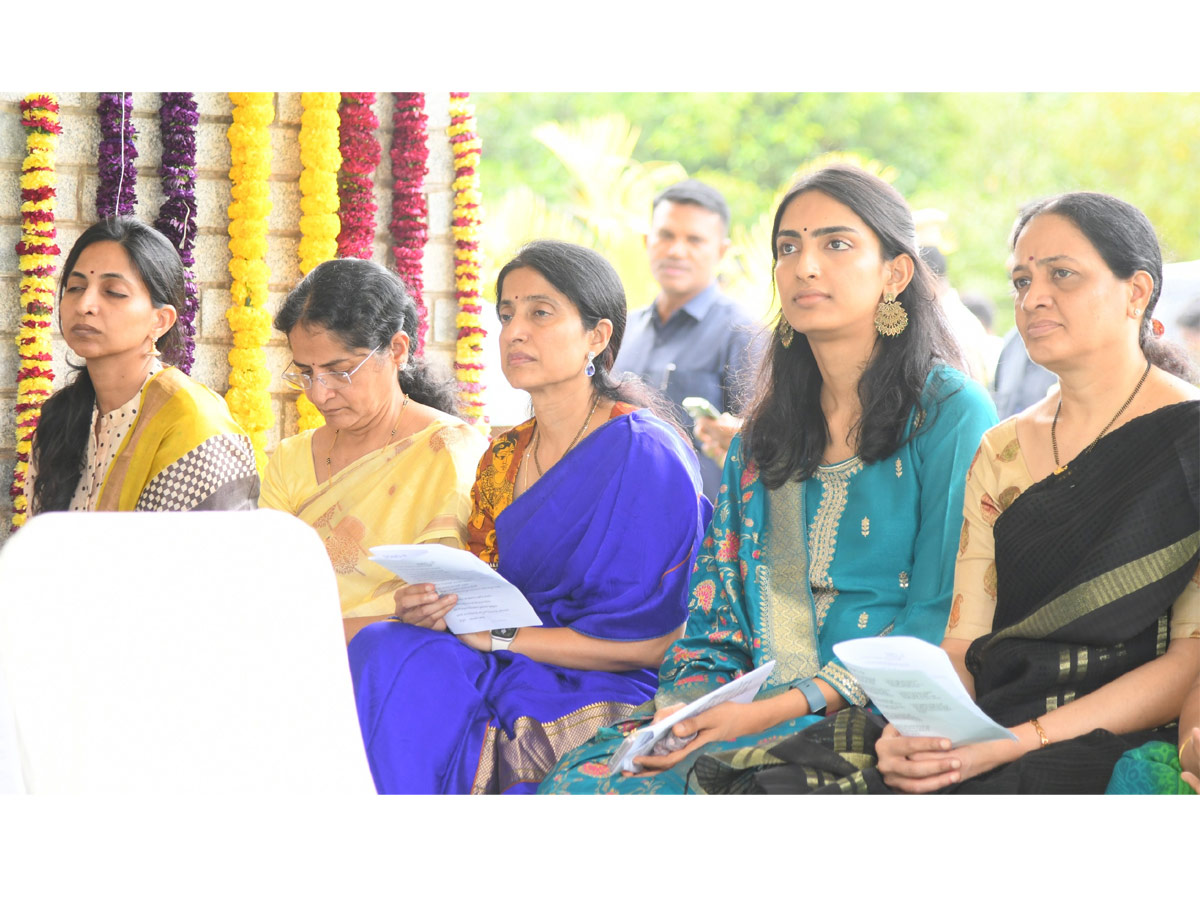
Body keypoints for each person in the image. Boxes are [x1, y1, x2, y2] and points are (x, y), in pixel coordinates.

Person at [720, 191, 1199, 795]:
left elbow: (1188, 660)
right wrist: (917, 727)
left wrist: (1011, 743)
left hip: (1109, 733)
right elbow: (962, 641)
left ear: (1136, 291)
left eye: (1062, 275)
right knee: (779, 786)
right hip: (989, 714)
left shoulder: (1188, 437)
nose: (1034, 298)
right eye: (1021, 280)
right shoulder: (1001, 450)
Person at [539, 165, 998, 794]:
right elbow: (714, 617)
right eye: (789, 247)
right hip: (740, 712)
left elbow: (937, 613)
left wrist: (766, 713)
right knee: (586, 784)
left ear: (895, 273)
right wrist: (686, 709)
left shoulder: (949, 412)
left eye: (836, 244)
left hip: (877, 716)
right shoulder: (765, 438)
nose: (806, 266)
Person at [346, 241, 711, 793]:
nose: (515, 331)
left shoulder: (644, 454)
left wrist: (504, 638)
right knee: (386, 646)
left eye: (540, 312)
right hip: (506, 650)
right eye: (507, 314)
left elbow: (656, 642)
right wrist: (434, 606)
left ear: (598, 336)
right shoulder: (504, 456)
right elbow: (487, 590)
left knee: (443, 698)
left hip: (604, 676)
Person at [259, 259, 487, 638]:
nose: (319, 393)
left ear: (397, 350)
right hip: (288, 655)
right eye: (305, 373)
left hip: (395, 665)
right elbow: (265, 594)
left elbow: (450, 609)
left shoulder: (447, 450)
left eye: (339, 371)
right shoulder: (290, 459)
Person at [25, 217, 258, 517]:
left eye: (114, 292)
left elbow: (213, 555)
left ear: (159, 321)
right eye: (76, 287)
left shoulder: (193, 422)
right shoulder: (59, 420)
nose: (85, 305)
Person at [613, 179, 764, 501]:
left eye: (694, 239)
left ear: (722, 251)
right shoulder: (620, 331)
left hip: (702, 534)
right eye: (666, 235)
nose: (676, 250)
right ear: (646, 240)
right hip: (619, 522)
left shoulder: (743, 334)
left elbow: (761, 444)